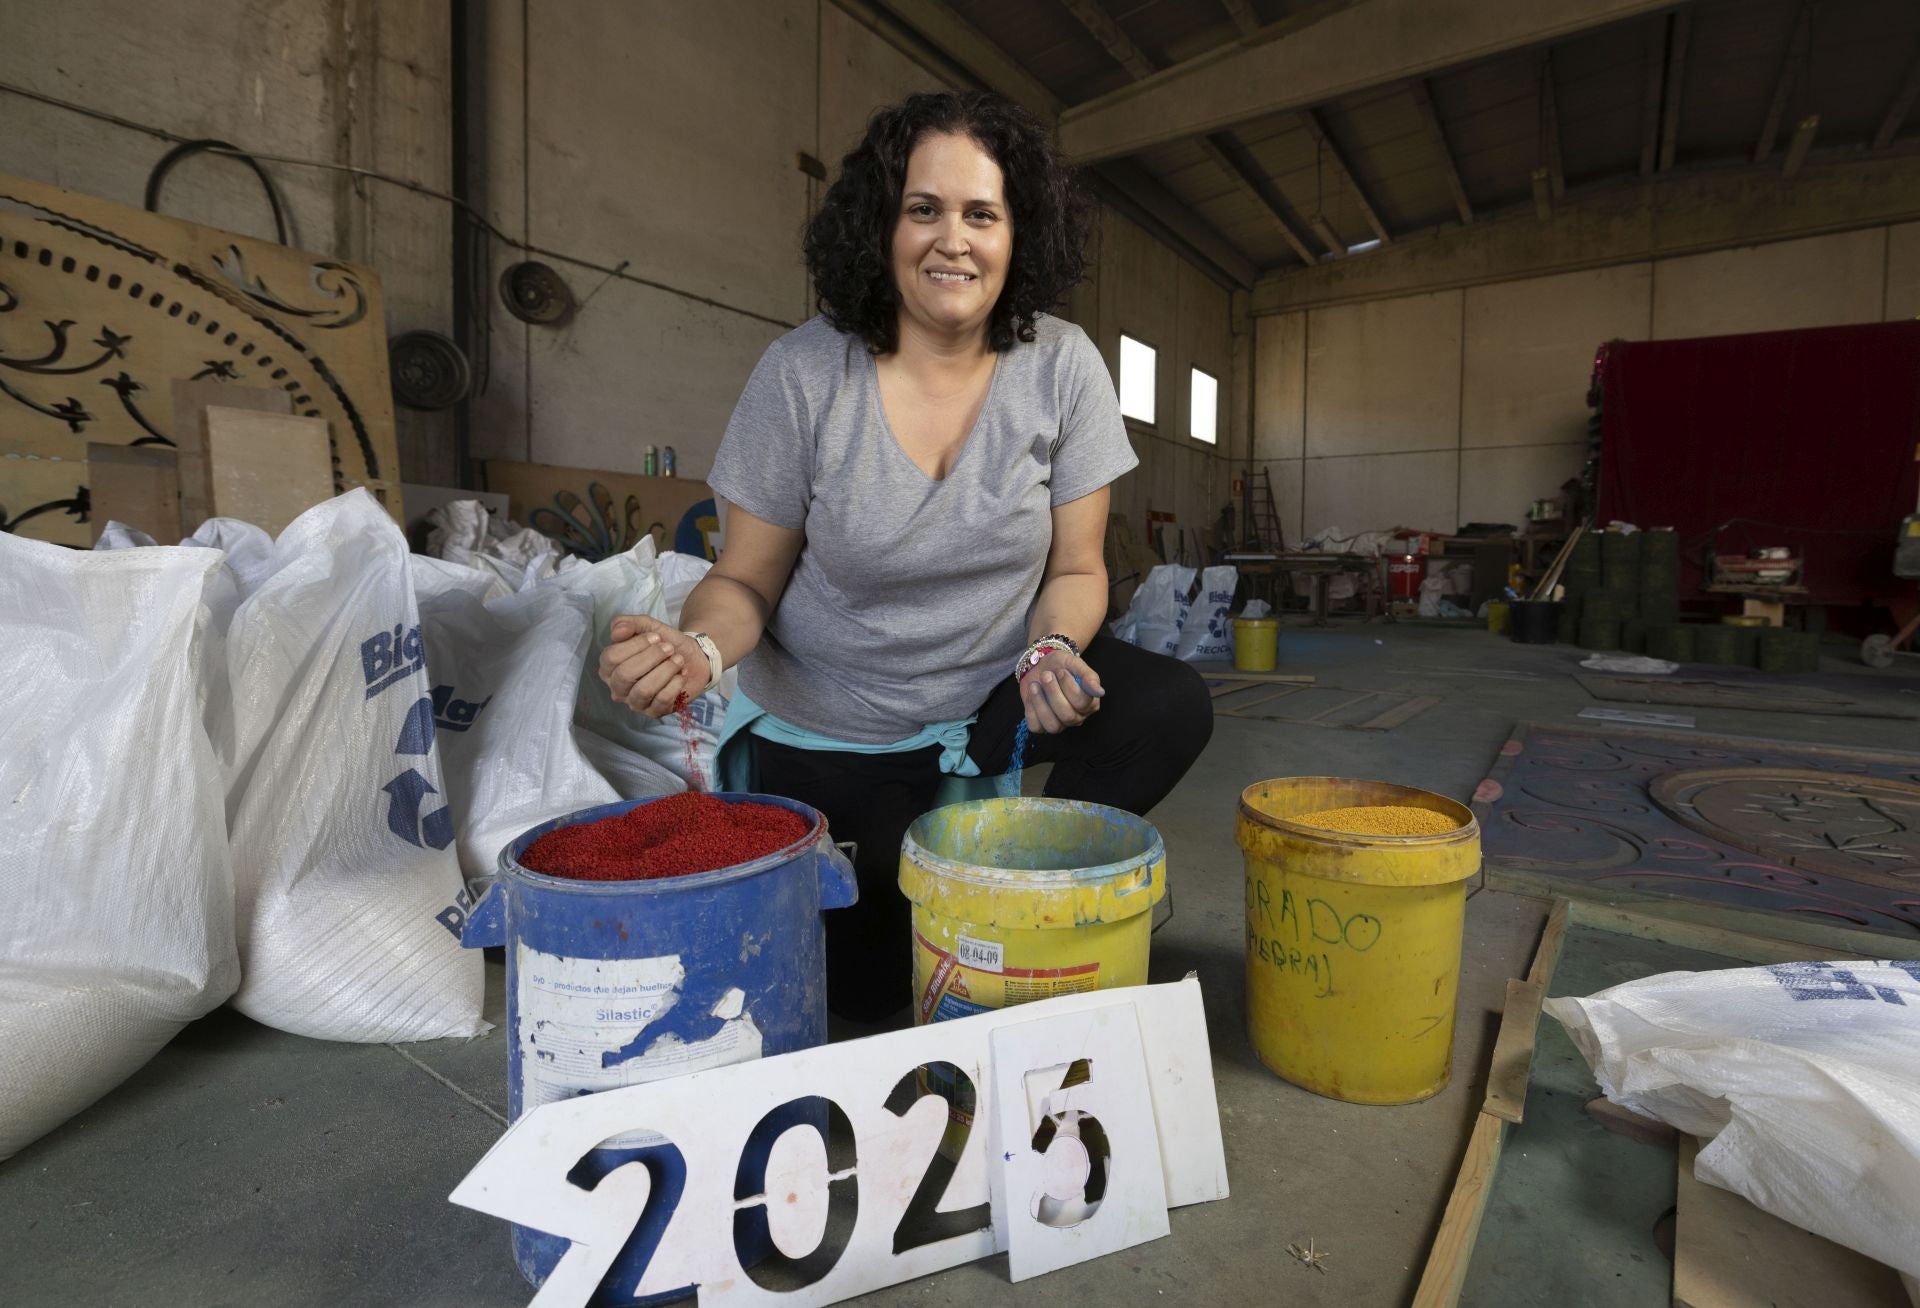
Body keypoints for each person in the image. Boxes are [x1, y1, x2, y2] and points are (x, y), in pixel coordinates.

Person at [597, 90, 1211, 1022]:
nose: (952, 240)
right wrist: (701, 653)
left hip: (992, 696)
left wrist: (1055, 651)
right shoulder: (804, 374)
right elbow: (742, 579)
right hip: (842, 719)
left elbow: (1079, 570)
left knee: (1165, 706)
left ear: (1020, 235)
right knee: (880, 988)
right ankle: (929, 876)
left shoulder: (1064, 365)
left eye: (981, 214)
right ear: (881, 227)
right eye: (923, 209)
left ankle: (1019, 874)